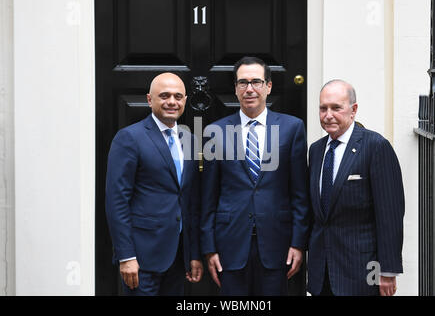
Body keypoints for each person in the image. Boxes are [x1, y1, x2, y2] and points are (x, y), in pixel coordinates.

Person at [200, 56, 310, 295]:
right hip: (229, 246)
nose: (249, 89)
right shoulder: (215, 132)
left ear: (268, 87)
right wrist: (209, 248)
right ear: (235, 88)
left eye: (256, 82)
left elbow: (299, 192)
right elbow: (208, 196)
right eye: (243, 82)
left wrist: (298, 243)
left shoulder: (292, 128)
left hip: (277, 245)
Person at [105, 72, 203, 295]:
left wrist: (194, 254)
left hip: (178, 258)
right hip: (141, 258)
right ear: (150, 99)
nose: (172, 102)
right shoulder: (129, 137)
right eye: (164, 95)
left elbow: (191, 201)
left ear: (185, 101)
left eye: (178, 96)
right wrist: (126, 256)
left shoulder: (190, 140)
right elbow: (117, 201)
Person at [307, 79, 405, 296]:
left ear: (353, 110)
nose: (328, 115)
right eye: (323, 108)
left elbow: (389, 215)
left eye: (336, 108)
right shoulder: (316, 151)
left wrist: (387, 271)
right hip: (321, 270)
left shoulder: (375, 147)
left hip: (360, 272)